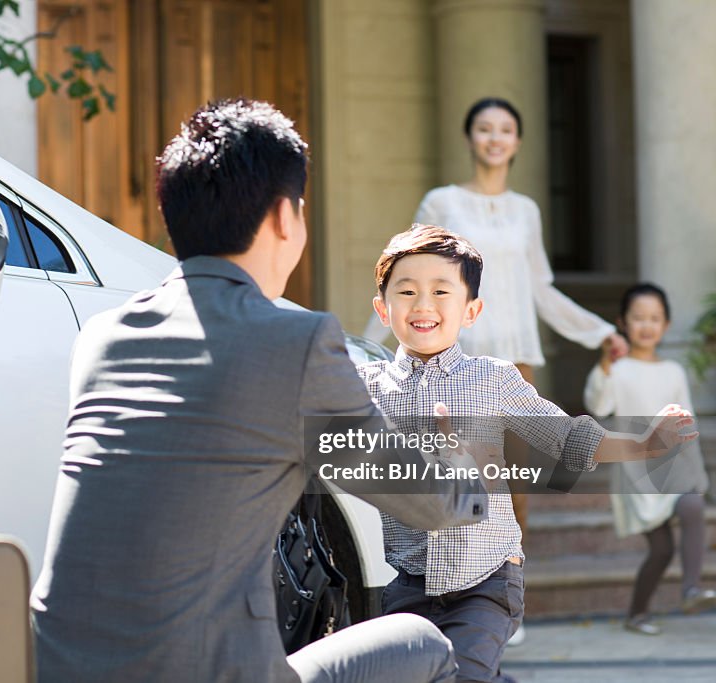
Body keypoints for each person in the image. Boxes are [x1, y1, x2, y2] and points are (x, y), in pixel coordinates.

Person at [31, 100, 490, 683]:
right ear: (283, 217)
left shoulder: (103, 338)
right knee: (427, 643)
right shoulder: (294, 341)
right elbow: (429, 502)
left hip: (64, 669)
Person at [360, 225, 698, 683]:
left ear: (472, 310)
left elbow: (567, 437)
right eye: (407, 291)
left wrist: (643, 444)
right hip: (406, 583)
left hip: (486, 579)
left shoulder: (493, 379)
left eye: (441, 291)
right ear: (383, 308)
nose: (423, 305)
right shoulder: (366, 390)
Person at [584, 283, 716, 635]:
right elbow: (599, 406)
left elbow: (685, 422)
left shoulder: (673, 371)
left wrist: (695, 474)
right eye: (638, 318)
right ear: (622, 323)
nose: (646, 325)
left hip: (669, 465)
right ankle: (640, 612)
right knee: (661, 549)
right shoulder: (618, 369)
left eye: (655, 318)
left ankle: (686, 590)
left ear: (666, 325)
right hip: (635, 472)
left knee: (688, 509)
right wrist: (606, 365)